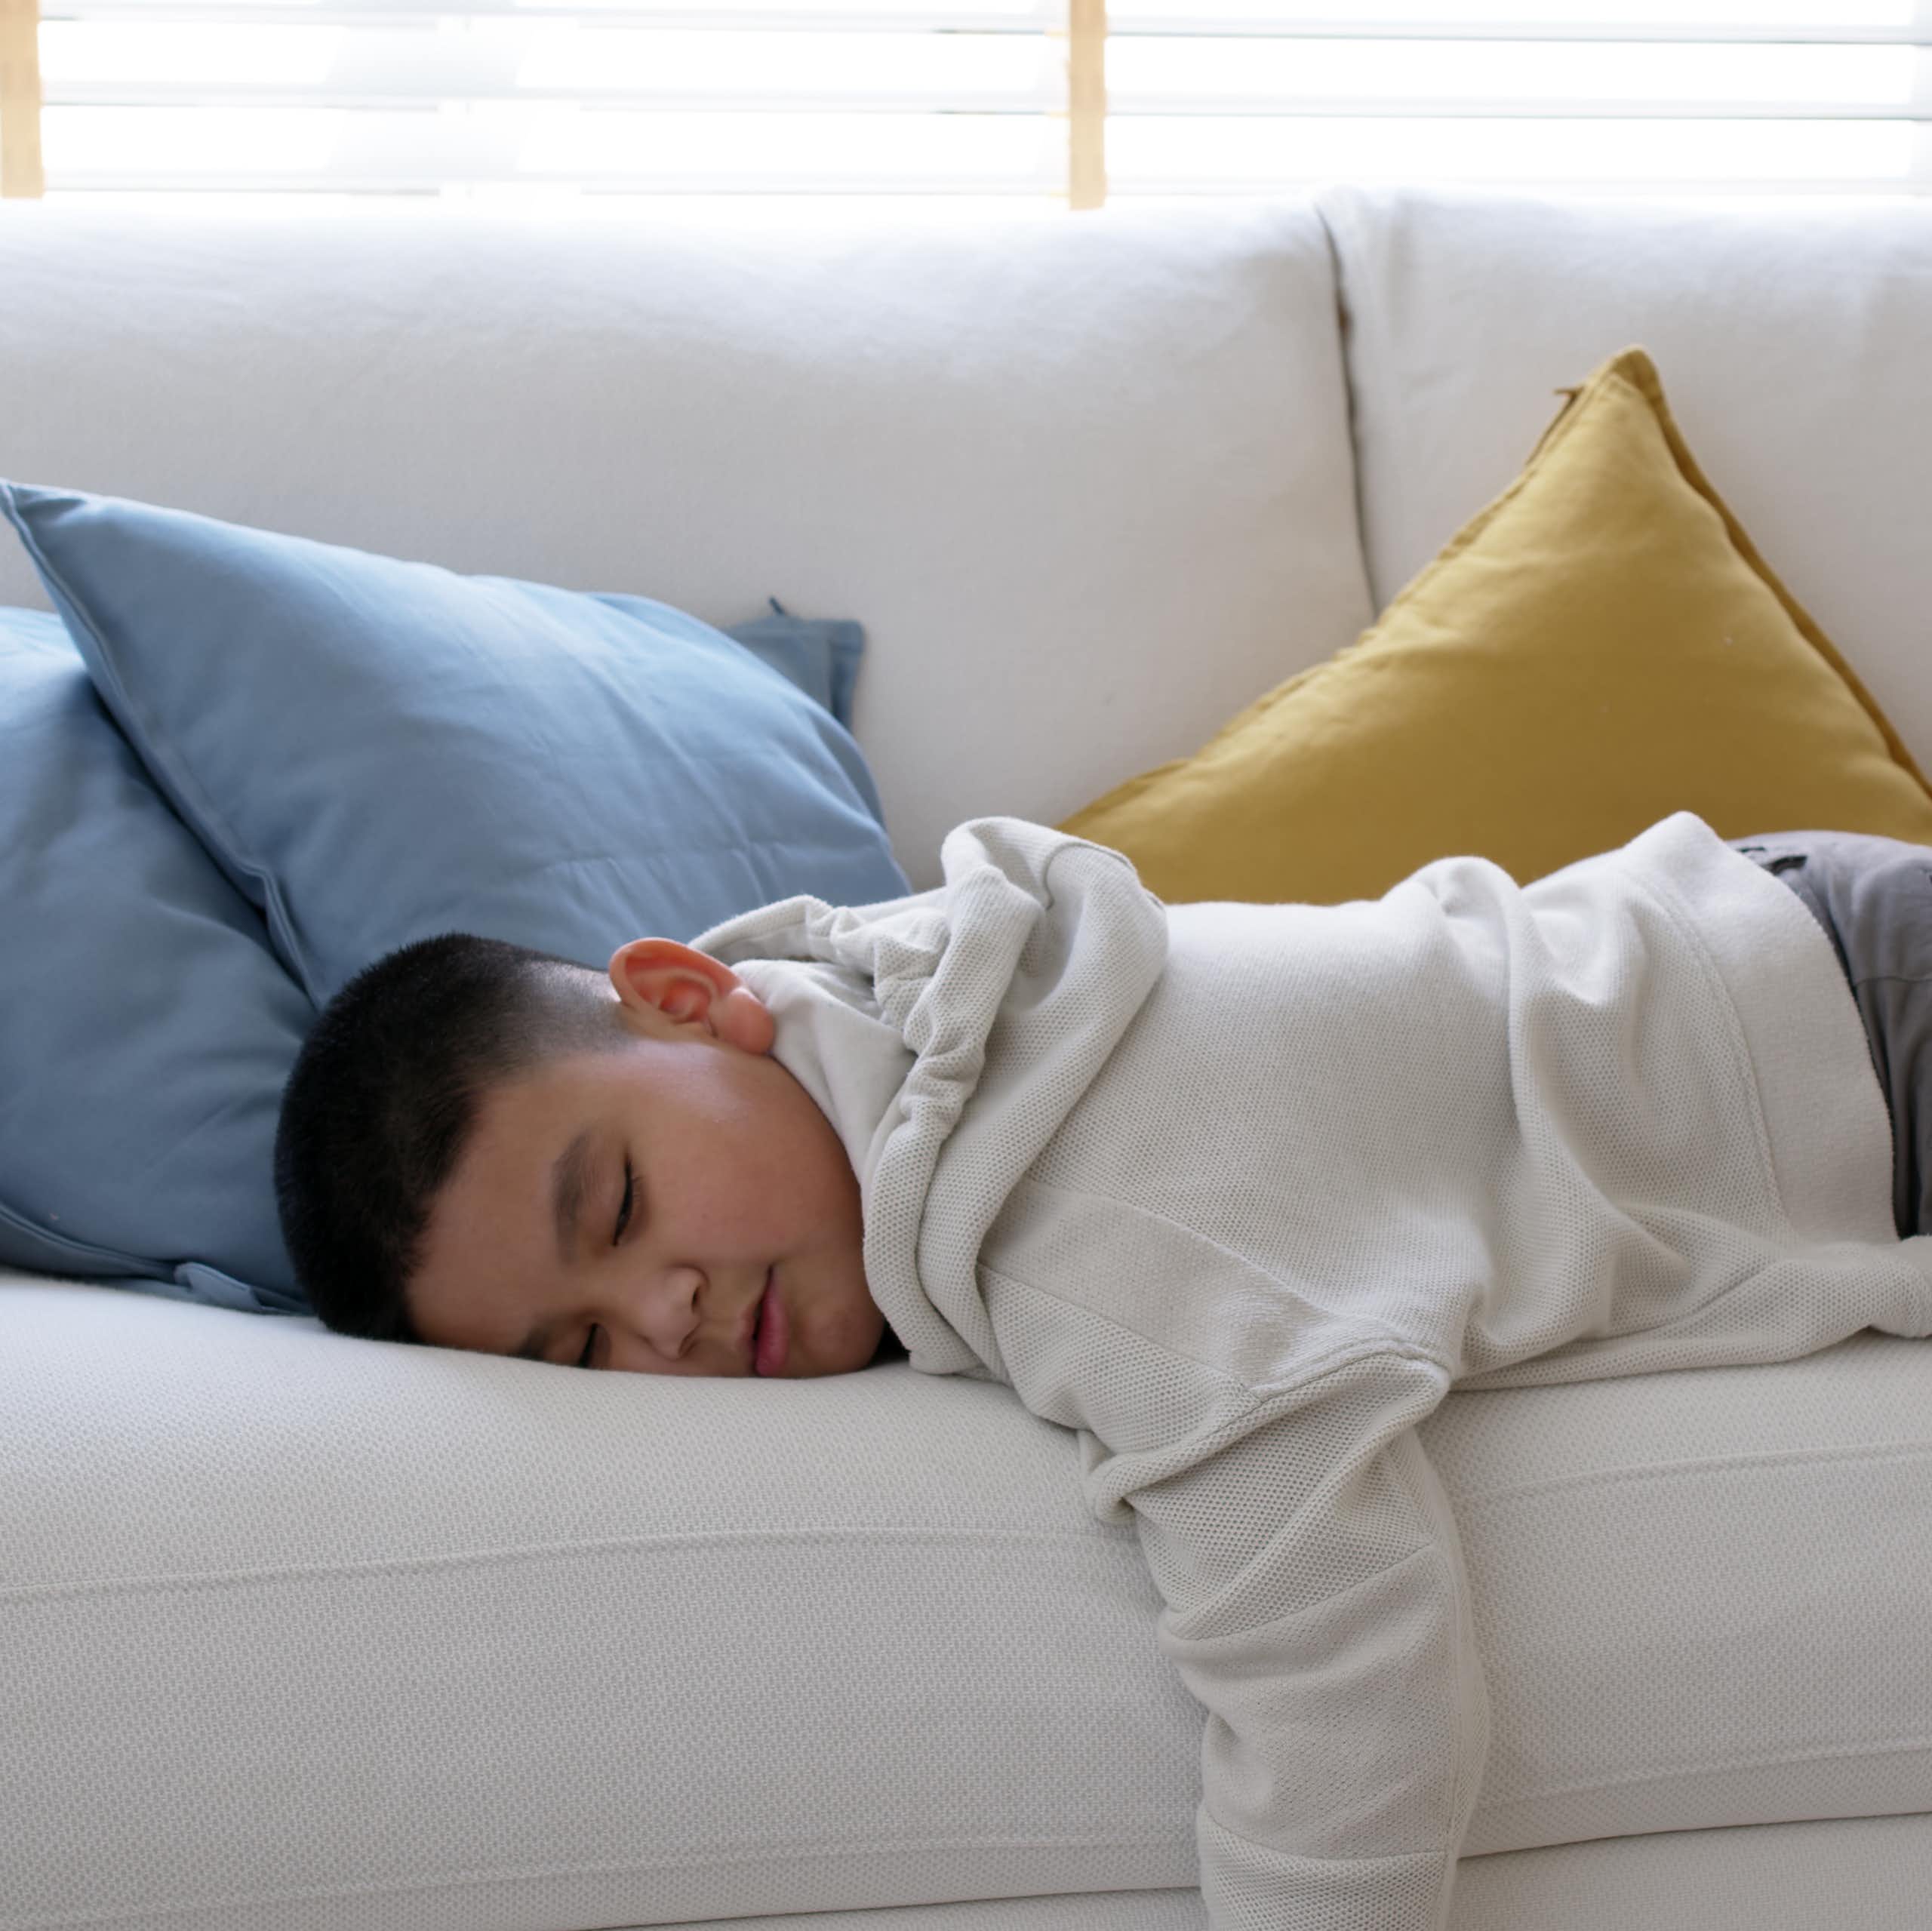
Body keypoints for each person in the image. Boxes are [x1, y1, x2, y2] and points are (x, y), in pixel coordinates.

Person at [272, 810, 1932, 1931]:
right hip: (1761, 927)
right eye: (582, 1345)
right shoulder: (930, 987)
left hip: (1852, 1041)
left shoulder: (1071, 1219)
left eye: (621, 1205)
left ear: (690, 996)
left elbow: (1342, 1646)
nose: (665, 1314)